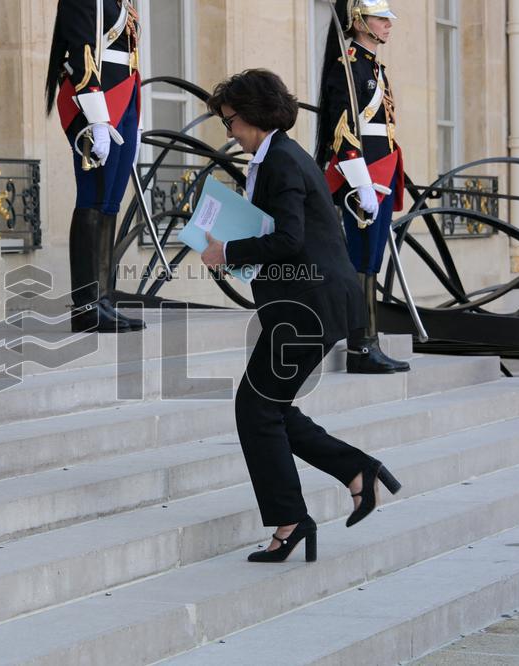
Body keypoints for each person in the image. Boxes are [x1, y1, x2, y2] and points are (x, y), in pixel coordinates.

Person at [200, 69, 402, 563]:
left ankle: (293, 521)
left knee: (256, 408)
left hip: (308, 306)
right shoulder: (279, 158)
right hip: (306, 303)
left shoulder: (282, 163)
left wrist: (228, 250)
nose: (229, 132)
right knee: (268, 407)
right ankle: (357, 473)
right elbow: (289, 235)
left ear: (253, 115)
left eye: (230, 121)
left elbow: (289, 239)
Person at [317, 0, 409, 374]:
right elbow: (343, 130)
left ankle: (368, 339)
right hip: (363, 179)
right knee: (362, 263)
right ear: (358, 21)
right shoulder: (349, 64)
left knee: (371, 262)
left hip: (380, 174)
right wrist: (361, 183)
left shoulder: (372, 66)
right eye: (379, 18)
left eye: (387, 19)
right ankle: (361, 344)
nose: (387, 24)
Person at [44, 0, 145, 333]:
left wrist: (135, 115)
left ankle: (103, 298)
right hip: (99, 101)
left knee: (111, 201)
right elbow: (82, 53)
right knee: (93, 198)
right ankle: (86, 308)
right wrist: (97, 118)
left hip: (125, 96)